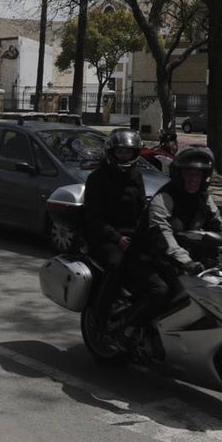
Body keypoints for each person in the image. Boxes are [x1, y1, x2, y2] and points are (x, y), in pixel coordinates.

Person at [124, 146, 222, 331]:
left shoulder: (204, 199)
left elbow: (220, 229)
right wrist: (185, 261)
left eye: (197, 175)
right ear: (179, 174)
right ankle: (128, 331)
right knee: (161, 292)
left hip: (179, 261)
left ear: (205, 176)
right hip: (148, 257)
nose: (193, 179)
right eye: (188, 174)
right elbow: (161, 234)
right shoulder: (164, 198)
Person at [82, 128, 147, 331]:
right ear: (112, 152)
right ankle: (101, 317)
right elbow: (93, 218)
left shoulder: (136, 176)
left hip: (133, 234)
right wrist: (118, 238)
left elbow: (142, 208)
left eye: (128, 152)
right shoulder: (97, 178)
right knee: (116, 264)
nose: (124, 156)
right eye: (120, 152)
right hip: (105, 237)